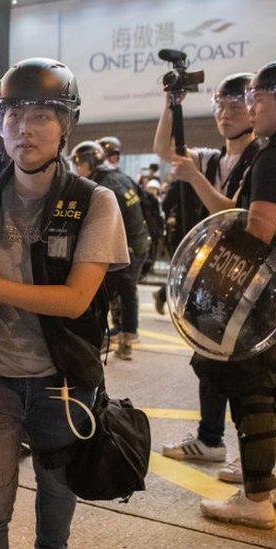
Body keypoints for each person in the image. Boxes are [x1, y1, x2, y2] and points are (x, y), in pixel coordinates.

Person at [0, 58, 129, 548]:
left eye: (42, 116)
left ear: (66, 125)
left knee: (55, 513)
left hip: (63, 381)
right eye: (13, 116)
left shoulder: (95, 202)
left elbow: (73, 301)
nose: (24, 129)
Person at [154, 73, 263, 473]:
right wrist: (171, 101)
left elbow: (233, 217)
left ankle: (252, 457)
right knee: (209, 358)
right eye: (220, 105)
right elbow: (165, 148)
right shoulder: (216, 158)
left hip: (251, 283)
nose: (225, 114)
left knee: (244, 371)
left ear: (254, 109)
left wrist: (193, 177)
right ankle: (209, 438)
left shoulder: (261, 160)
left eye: (236, 106)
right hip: (216, 279)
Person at [195, 62, 276, 529]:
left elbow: (259, 230)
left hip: (266, 298)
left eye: (257, 98)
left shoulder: (270, 157)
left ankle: (257, 496)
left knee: (253, 391)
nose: (249, 106)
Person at [71, 140, 151, 360]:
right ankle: (123, 338)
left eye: (80, 163)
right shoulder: (121, 177)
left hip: (127, 247)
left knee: (106, 292)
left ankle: (114, 339)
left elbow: (113, 223)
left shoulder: (105, 187)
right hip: (139, 243)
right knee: (126, 293)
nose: (77, 168)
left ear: (91, 163)